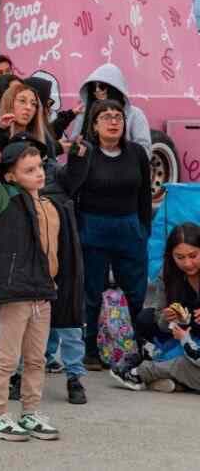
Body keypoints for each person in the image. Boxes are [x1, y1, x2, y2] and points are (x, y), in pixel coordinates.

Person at [0, 142, 65, 442]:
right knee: (7, 358)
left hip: (42, 290)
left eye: (39, 167)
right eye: (29, 170)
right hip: (14, 291)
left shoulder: (48, 204)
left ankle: (30, 411)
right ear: (11, 176)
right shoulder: (4, 199)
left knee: (36, 358)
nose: (39, 173)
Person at [63, 98, 152, 368]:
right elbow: (71, 189)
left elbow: (144, 195)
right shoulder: (85, 152)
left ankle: (136, 347)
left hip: (129, 228)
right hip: (93, 229)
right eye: (106, 117)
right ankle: (90, 350)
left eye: (118, 117)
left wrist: (143, 229)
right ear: (94, 124)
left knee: (136, 292)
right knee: (92, 293)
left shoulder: (136, 153)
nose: (114, 121)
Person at [112, 222, 200, 392]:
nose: (188, 263)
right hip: (184, 336)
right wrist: (168, 319)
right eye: (180, 257)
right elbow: (161, 322)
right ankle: (169, 376)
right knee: (146, 318)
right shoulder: (167, 275)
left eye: (193, 255)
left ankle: (152, 374)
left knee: (182, 364)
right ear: (171, 256)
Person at [69, 63, 152, 156]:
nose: (97, 90)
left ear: (115, 87)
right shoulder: (84, 113)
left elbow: (145, 150)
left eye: (102, 86)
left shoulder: (135, 114)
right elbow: (74, 142)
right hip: (89, 168)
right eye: (93, 86)